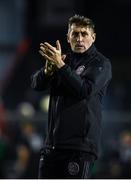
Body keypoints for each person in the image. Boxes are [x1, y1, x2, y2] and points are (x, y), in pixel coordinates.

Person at [31, 14, 112, 179]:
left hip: (79, 149)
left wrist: (60, 67)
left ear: (93, 37)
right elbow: (35, 84)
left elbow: (84, 90)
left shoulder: (100, 63)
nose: (80, 38)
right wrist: (47, 71)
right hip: (52, 147)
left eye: (84, 34)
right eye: (75, 34)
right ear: (68, 37)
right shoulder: (63, 60)